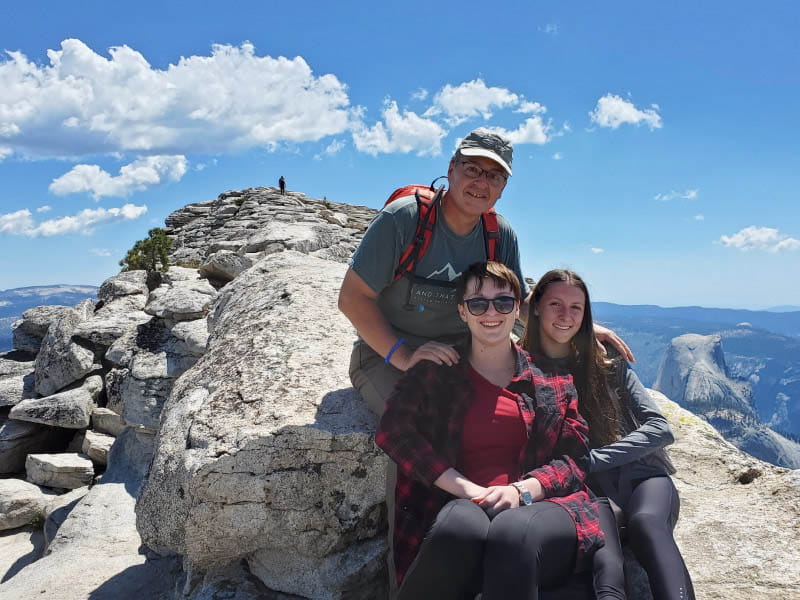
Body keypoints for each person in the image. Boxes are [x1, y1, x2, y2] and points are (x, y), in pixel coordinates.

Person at [338, 128, 632, 418]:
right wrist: (404, 357)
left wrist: (579, 326)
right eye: (472, 169)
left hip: (463, 354)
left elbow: (521, 305)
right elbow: (352, 298)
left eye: (494, 176)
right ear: (451, 169)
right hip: (387, 352)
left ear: (502, 188)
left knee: (523, 413)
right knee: (420, 425)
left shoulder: (498, 234)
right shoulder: (403, 220)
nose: (481, 182)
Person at [376, 261, 605, 600]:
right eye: (477, 303)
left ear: (517, 311)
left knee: (512, 531)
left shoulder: (553, 379)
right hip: (463, 505)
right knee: (459, 526)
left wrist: (521, 490)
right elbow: (394, 431)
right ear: (462, 312)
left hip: (537, 510)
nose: (491, 312)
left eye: (503, 302)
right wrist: (466, 489)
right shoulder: (435, 370)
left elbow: (575, 460)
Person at [521, 269, 695, 600]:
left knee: (646, 524)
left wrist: (592, 460)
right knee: (603, 539)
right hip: (592, 493)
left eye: (577, 308)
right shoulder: (527, 369)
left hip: (645, 477)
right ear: (536, 308)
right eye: (555, 304)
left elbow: (660, 429)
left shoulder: (608, 362)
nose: (565, 315)